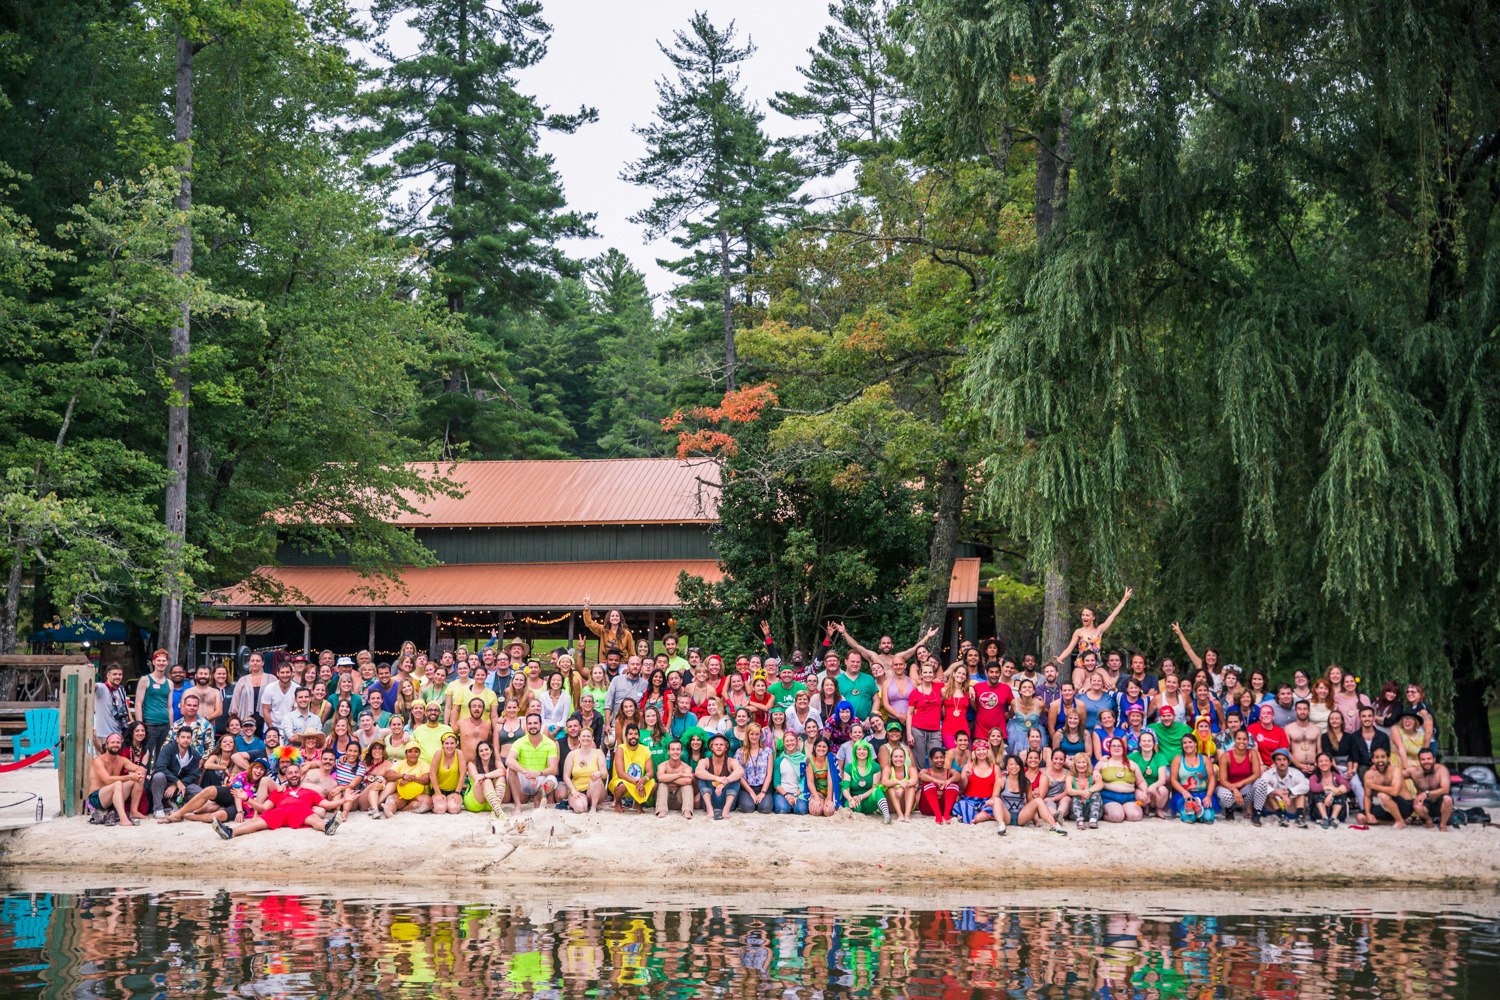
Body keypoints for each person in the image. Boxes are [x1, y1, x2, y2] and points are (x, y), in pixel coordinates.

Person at [213, 763, 341, 839]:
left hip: (301, 811)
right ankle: (230, 832)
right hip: (279, 812)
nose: (294, 775)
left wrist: (344, 800)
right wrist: (247, 799)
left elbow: (327, 804)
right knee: (257, 822)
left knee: (314, 819)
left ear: (301, 775)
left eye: (296, 772)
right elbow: (263, 808)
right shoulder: (279, 791)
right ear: (286, 777)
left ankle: (326, 827)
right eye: (290, 773)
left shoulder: (309, 792)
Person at [1052, 589, 1133, 678]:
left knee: (1109, 684)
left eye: (1087, 615)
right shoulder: (1079, 631)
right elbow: (1069, 648)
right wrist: (1061, 658)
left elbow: (1112, 616)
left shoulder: (1099, 630)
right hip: (1081, 665)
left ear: (1093, 617)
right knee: (1078, 683)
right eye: (1083, 615)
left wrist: (1124, 600)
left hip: (1096, 665)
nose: (1084, 617)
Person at [86, 732, 145, 827]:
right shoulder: (98, 761)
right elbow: (107, 780)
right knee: (117, 783)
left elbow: (139, 768)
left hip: (112, 796)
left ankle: (134, 811)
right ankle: (123, 818)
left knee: (139, 778)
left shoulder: (121, 760)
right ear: (107, 744)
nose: (115, 745)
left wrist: (140, 773)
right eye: (112, 742)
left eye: (118, 742)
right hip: (96, 798)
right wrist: (130, 776)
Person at [505, 712, 559, 812]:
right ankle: (517, 805)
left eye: (535, 723)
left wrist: (538, 773)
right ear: (526, 725)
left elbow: (553, 768)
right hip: (525, 777)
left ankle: (538, 797)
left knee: (551, 782)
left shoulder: (550, 743)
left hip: (541, 777)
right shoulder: (520, 741)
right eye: (529, 723)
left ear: (541, 724)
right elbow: (509, 760)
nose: (532, 726)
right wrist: (525, 772)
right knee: (511, 769)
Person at [149, 725, 204, 818]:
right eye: (183, 737)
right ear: (177, 738)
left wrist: (177, 784)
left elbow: (193, 775)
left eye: (188, 737)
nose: (185, 740)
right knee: (159, 776)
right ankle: (158, 809)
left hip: (181, 785)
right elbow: (160, 767)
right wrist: (176, 781)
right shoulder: (168, 748)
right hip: (165, 783)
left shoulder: (194, 754)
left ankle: (179, 806)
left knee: (200, 792)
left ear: (191, 740)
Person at [1215, 728, 1263, 822]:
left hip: (1244, 791)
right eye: (1239, 739)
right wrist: (1234, 789)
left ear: (1248, 741)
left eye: (1244, 739)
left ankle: (1257, 814)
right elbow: (1223, 780)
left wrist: (1240, 784)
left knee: (1261, 782)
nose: (1242, 741)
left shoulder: (1252, 753)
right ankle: (1229, 809)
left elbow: (1257, 774)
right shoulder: (1226, 756)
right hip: (1228, 788)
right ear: (1234, 740)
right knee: (1227, 797)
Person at [1256, 747, 1310, 827]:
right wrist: (1276, 792)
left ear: (1288, 762)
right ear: (1274, 762)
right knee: (1269, 791)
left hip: (1290, 806)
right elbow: (1259, 784)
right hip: (1273, 808)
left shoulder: (1295, 772)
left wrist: (1289, 791)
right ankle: (1281, 817)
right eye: (1279, 759)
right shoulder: (1269, 773)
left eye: (1284, 759)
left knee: (1301, 793)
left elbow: (1306, 785)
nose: (1282, 762)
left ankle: (1299, 818)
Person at [1096, 737, 1146, 823]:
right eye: (1114, 746)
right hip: (1109, 797)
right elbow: (1095, 773)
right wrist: (1096, 772)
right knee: (1116, 817)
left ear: (1124, 748)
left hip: (1129, 797)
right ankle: (1106, 814)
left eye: (1119, 746)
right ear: (1109, 748)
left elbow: (1140, 781)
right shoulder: (1103, 762)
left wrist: (1144, 791)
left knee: (1135, 816)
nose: (1116, 748)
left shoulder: (1132, 764)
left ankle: (1125, 811)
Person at [695, 732, 744, 821]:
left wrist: (725, 781)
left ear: (726, 748)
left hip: (727, 800)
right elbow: (698, 772)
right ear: (711, 747)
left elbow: (740, 771)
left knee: (735, 778)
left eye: (721, 745)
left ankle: (726, 811)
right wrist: (717, 778)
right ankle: (710, 810)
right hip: (709, 801)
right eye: (716, 744)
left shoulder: (731, 761)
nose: (718, 747)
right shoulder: (705, 761)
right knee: (703, 777)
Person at [840, 739, 891, 823]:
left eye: (865, 749)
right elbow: (845, 789)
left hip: (868, 800)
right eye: (859, 749)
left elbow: (874, 788)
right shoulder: (849, 767)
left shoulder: (875, 767)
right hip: (853, 799)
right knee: (856, 807)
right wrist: (850, 799)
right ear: (855, 752)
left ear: (868, 751)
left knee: (877, 790)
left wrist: (861, 797)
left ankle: (887, 815)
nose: (862, 751)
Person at [1170, 734, 1216, 824]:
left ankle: (1200, 809)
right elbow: (1173, 779)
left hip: (1202, 794)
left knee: (1208, 818)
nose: (1187, 745)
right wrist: (1184, 792)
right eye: (1184, 743)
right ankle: (1191, 810)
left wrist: (1209, 796)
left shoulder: (1204, 759)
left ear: (1195, 744)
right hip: (1185, 795)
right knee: (1190, 819)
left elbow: (1212, 778)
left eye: (1190, 742)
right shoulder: (1178, 759)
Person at [610, 723, 657, 812]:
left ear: (639, 736)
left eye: (635, 734)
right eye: (630, 734)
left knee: (654, 785)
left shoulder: (645, 749)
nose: (633, 736)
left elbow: (650, 771)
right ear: (626, 736)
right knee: (621, 786)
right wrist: (638, 783)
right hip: (624, 782)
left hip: (639, 783)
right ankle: (618, 803)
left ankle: (638, 803)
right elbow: (621, 773)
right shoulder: (621, 749)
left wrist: (645, 779)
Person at [1129, 730, 1171, 819]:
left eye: (1149, 741)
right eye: (1144, 741)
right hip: (1140, 789)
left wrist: (1153, 786)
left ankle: (1159, 809)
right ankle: (1145, 807)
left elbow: (1162, 779)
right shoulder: (1133, 756)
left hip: (1154, 790)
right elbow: (1119, 760)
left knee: (1163, 790)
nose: (1146, 743)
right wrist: (1106, 758)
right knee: (1140, 795)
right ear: (1139, 743)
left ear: (1153, 743)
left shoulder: (1160, 757)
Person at [1409, 749, 1454, 832]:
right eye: (1423, 759)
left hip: (1440, 802)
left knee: (1448, 799)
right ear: (1419, 761)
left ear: (1434, 759)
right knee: (1416, 805)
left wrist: (1426, 794)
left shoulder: (1442, 769)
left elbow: (1445, 789)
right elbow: (1398, 775)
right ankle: (1428, 820)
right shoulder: (1414, 771)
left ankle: (1443, 824)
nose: (1426, 761)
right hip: (1426, 805)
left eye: (1429, 759)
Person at [734, 723, 773, 814]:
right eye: (752, 734)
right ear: (747, 735)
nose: (754, 737)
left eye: (757, 734)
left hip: (763, 787)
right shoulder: (740, 752)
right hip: (747, 788)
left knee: (765, 809)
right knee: (748, 808)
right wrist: (751, 792)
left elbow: (769, 774)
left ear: (760, 735)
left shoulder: (767, 752)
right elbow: (739, 775)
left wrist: (763, 792)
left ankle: (762, 800)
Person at [582, 598, 634, 665]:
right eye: (612, 616)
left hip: (621, 664)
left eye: (617, 616)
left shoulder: (627, 634)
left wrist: (629, 665)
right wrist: (586, 607)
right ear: (609, 618)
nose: (615, 617)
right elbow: (589, 623)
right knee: (598, 672)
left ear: (620, 618)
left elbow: (632, 653)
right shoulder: (603, 630)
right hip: (605, 663)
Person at [1309, 751, 1352, 828]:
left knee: (1341, 793)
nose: (1324, 763)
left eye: (1326, 761)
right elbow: (1313, 787)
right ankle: (1325, 818)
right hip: (1318, 812)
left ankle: (1333, 818)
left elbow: (1347, 786)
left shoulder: (1336, 776)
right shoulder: (1315, 777)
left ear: (1331, 763)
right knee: (1318, 794)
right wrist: (1329, 787)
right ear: (1317, 764)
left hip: (1336, 809)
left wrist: (1332, 794)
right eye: (1321, 761)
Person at [655, 739, 696, 818]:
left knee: (687, 786)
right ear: (668, 752)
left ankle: (687, 810)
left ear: (681, 752)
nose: (675, 752)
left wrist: (668, 778)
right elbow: (660, 778)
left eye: (678, 749)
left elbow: (688, 781)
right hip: (665, 799)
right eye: (673, 749)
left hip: (679, 799)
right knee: (662, 784)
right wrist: (680, 774)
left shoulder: (686, 767)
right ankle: (662, 810)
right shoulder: (662, 765)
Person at [427, 733, 466, 814]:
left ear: (456, 744)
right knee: (440, 809)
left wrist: (457, 792)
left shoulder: (459, 753)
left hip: (454, 790)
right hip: (438, 789)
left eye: (452, 743)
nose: (449, 746)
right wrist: (437, 793)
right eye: (446, 743)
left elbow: (463, 774)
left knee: (453, 809)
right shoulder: (439, 753)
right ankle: (436, 803)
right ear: (442, 744)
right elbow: (432, 774)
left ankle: (448, 801)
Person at [772, 730, 809, 815]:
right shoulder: (779, 760)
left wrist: (796, 795)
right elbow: (776, 783)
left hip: (799, 793)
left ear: (796, 741)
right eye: (787, 741)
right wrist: (787, 795)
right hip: (782, 793)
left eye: (792, 740)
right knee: (782, 809)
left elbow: (805, 781)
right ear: (784, 743)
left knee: (801, 810)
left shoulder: (805, 759)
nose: (790, 743)